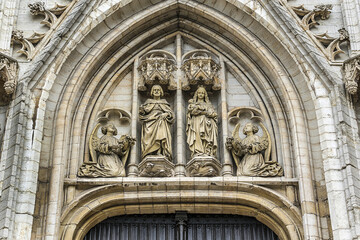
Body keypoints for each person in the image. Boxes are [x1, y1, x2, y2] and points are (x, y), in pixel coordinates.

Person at [139, 85, 174, 160]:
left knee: (160, 136)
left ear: (161, 92)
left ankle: (159, 151)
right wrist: (141, 110)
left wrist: (166, 114)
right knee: (149, 137)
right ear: (152, 92)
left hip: (161, 122)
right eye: (154, 90)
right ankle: (150, 153)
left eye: (158, 90)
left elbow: (171, 114)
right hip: (150, 122)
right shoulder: (148, 102)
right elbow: (143, 113)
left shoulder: (164, 103)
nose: (156, 91)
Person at [186, 86, 218, 157]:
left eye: (202, 93)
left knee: (206, 138)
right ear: (196, 94)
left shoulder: (208, 105)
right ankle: (198, 151)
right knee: (197, 135)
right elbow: (192, 112)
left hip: (206, 123)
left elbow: (213, 114)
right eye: (199, 93)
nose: (200, 94)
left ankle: (207, 151)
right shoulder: (193, 105)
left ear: (204, 95)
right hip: (196, 122)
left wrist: (203, 112)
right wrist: (204, 112)